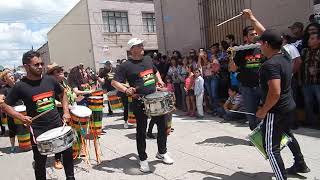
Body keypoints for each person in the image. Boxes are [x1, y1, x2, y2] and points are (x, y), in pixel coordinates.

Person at [243, 9, 310, 179]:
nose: (259, 44)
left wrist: (263, 111)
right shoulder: (285, 54)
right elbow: (266, 33)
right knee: (287, 134)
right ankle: (300, 163)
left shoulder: (270, 65)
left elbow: (275, 92)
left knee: (271, 148)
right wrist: (251, 18)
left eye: (261, 42)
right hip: (289, 107)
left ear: (266, 44)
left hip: (276, 111)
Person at [5, 50, 75, 180]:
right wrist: (21, 117)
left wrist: (66, 112)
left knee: (67, 153)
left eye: (42, 63)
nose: (40, 67)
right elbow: (5, 105)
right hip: (38, 131)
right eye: (36, 65)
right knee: (40, 163)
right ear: (26, 66)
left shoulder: (50, 80)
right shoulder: (20, 86)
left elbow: (63, 94)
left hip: (57, 125)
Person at [111, 38, 173, 173]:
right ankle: (143, 159)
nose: (142, 46)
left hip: (155, 99)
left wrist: (160, 80)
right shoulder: (125, 66)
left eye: (141, 44)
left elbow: (155, 71)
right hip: (140, 101)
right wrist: (126, 90)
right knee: (141, 131)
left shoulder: (148, 59)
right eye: (139, 45)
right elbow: (114, 83)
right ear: (132, 49)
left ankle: (162, 152)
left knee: (162, 127)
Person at [233, 23, 263, 131]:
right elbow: (233, 69)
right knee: (250, 113)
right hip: (247, 87)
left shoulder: (262, 47)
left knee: (264, 112)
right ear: (245, 37)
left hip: (261, 85)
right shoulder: (241, 51)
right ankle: (255, 135)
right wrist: (231, 57)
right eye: (251, 34)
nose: (255, 36)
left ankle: (263, 134)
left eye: (256, 33)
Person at [47, 62, 77, 169]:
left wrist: (74, 99)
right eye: (58, 71)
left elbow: (69, 94)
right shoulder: (49, 84)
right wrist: (63, 106)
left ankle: (72, 152)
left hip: (67, 110)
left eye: (61, 70)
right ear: (52, 74)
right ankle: (57, 159)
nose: (61, 72)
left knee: (69, 133)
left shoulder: (64, 82)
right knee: (59, 136)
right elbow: (50, 100)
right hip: (57, 112)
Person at [301, 32, 320, 127]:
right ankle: (311, 122)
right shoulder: (305, 51)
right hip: (306, 82)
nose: (309, 40)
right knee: (308, 103)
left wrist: (318, 70)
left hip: (318, 82)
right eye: (309, 38)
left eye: (312, 38)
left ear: (318, 40)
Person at [0, 70, 21, 153]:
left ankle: (27, 144)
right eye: (10, 76)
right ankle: (12, 146)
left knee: (24, 128)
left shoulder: (19, 86)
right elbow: (1, 99)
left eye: (12, 75)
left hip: (22, 110)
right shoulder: (4, 89)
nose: (12, 77)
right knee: (12, 129)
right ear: (5, 79)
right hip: (11, 112)